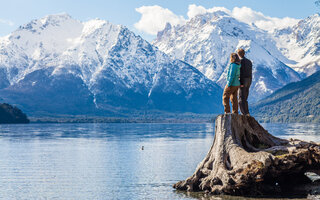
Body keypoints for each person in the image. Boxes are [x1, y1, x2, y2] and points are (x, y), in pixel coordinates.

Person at [237, 48, 252, 116]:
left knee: (241, 97)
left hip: (243, 80)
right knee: (245, 98)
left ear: (238, 54)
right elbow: (250, 72)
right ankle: (247, 112)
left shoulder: (240, 62)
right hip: (249, 80)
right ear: (244, 53)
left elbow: (241, 73)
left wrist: (241, 83)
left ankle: (244, 113)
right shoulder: (249, 61)